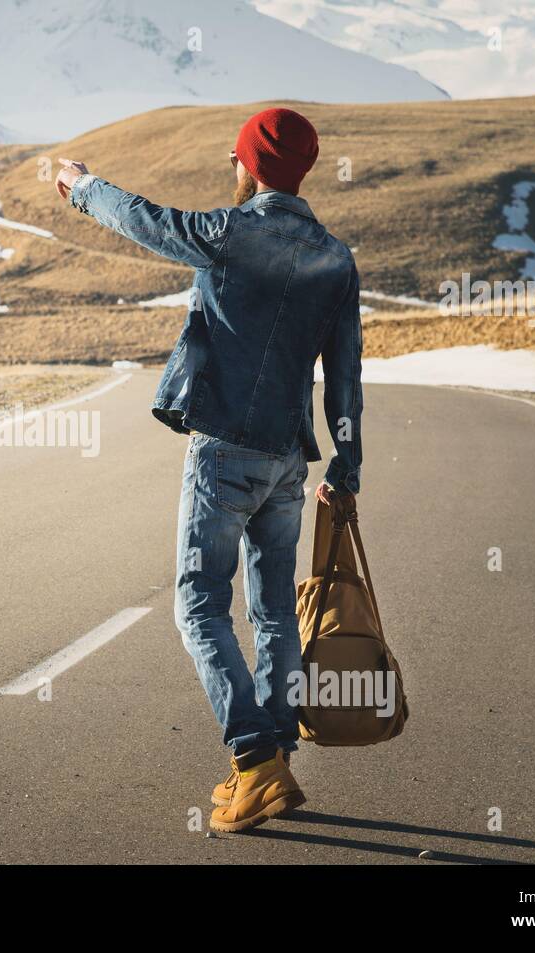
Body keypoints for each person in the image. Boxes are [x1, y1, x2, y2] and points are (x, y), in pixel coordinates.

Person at [54, 107, 363, 833]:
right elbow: (344, 374)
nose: (234, 166)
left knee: (198, 605)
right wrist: (347, 460)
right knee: (273, 611)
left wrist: (80, 184)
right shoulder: (334, 258)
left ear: (253, 165)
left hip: (224, 446)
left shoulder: (231, 234)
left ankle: (254, 760)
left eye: (238, 158)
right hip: (289, 458)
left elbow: (144, 220)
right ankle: (274, 759)